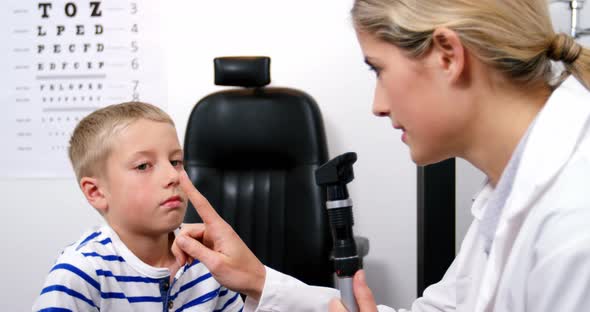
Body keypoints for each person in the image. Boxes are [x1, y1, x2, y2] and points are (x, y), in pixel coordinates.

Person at [172, 0, 590, 311]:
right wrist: (257, 279)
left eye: (379, 69)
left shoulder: (574, 223)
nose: (377, 104)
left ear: (447, 54)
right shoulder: (508, 194)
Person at [33, 102, 243, 311]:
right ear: (95, 192)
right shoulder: (80, 272)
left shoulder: (208, 260)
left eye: (176, 161)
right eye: (143, 166)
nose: (172, 176)